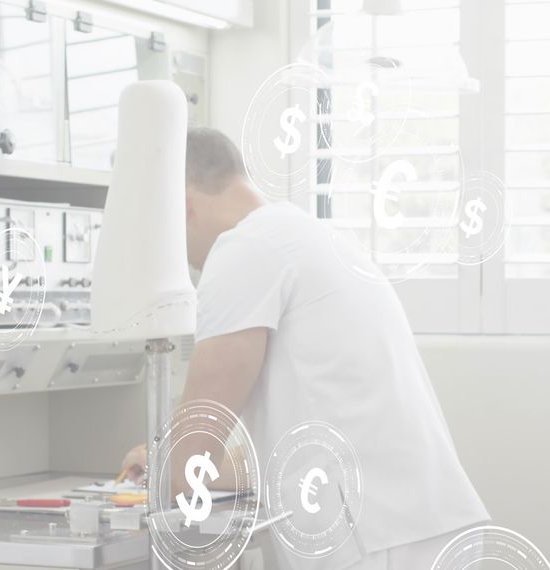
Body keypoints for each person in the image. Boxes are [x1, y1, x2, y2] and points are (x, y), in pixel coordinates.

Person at [121, 127, 488, 569]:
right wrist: (170, 458)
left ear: (181, 205)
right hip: (421, 524)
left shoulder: (243, 250)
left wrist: (168, 461)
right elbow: (278, 457)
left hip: (377, 536)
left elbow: (191, 462)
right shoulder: (313, 237)